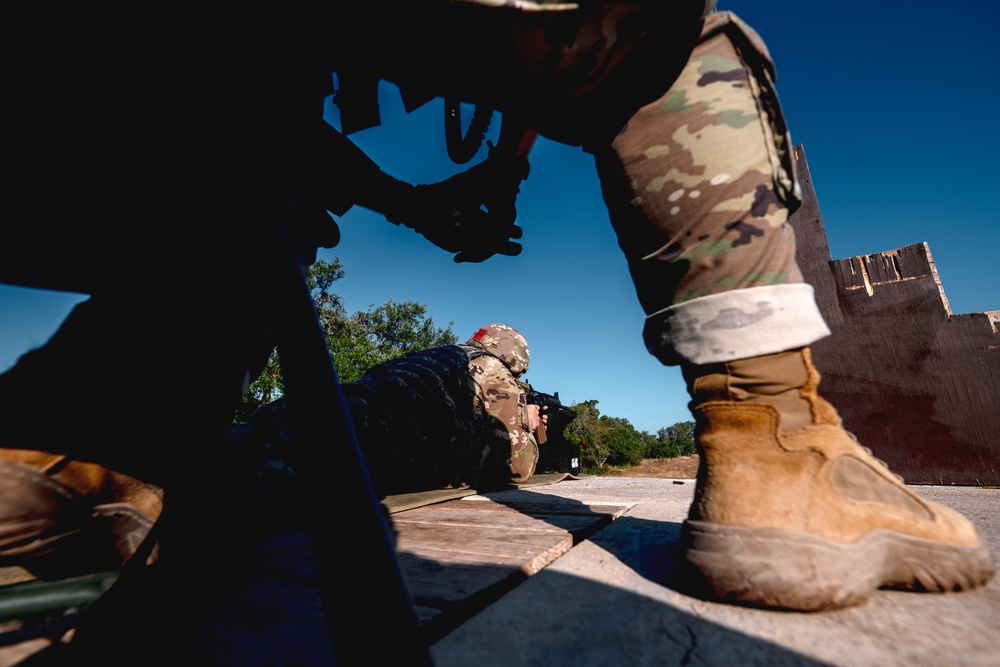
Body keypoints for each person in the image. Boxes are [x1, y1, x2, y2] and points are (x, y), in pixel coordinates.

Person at [322, 0, 996, 612]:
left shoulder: (447, 360)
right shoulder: (485, 376)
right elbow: (516, 464)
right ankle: (773, 442)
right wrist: (521, 425)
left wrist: (438, 196)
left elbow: (279, 126)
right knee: (669, 42)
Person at [232, 323, 546, 498]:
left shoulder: (440, 356)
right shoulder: (491, 369)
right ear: (513, 358)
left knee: (245, 443)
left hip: (326, 407)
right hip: (366, 443)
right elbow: (516, 466)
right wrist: (528, 426)